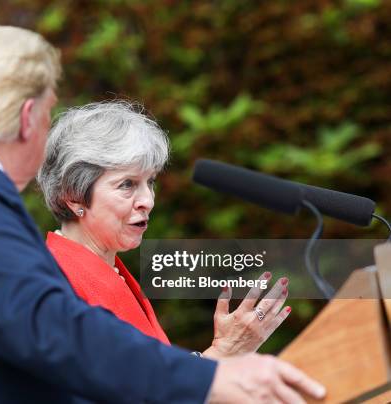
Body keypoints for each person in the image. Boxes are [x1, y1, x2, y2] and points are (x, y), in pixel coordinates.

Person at [0, 25, 326, 403]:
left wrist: (218, 359)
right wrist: (210, 381)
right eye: (49, 112)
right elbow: (55, 333)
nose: (147, 199)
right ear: (27, 117)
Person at [37, 101, 291, 357]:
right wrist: (220, 355)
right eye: (127, 184)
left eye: (151, 182)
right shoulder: (58, 281)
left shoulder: (108, 271)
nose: (147, 200)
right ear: (74, 196)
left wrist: (224, 353)